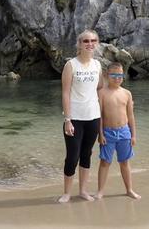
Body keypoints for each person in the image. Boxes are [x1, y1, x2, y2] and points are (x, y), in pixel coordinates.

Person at [59, 29, 103, 203]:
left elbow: (100, 88)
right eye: (86, 41)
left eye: (93, 40)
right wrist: (67, 119)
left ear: (97, 43)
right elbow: (65, 93)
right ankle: (67, 193)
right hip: (75, 118)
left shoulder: (97, 65)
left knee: (87, 154)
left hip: (93, 116)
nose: (90, 44)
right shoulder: (71, 65)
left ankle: (83, 191)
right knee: (72, 156)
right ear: (79, 44)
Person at [95, 62, 141, 200]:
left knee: (125, 162)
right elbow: (100, 115)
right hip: (108, 133)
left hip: (124, 132)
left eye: (120, 75)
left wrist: (133, 135)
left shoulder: (127, 93)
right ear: (106, 75)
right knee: (105, 162)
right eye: (114, 75)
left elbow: (131, 115)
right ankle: (100, 191)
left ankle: (129, 189)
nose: (117, 78)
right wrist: (100, 133)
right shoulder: (102, 93)